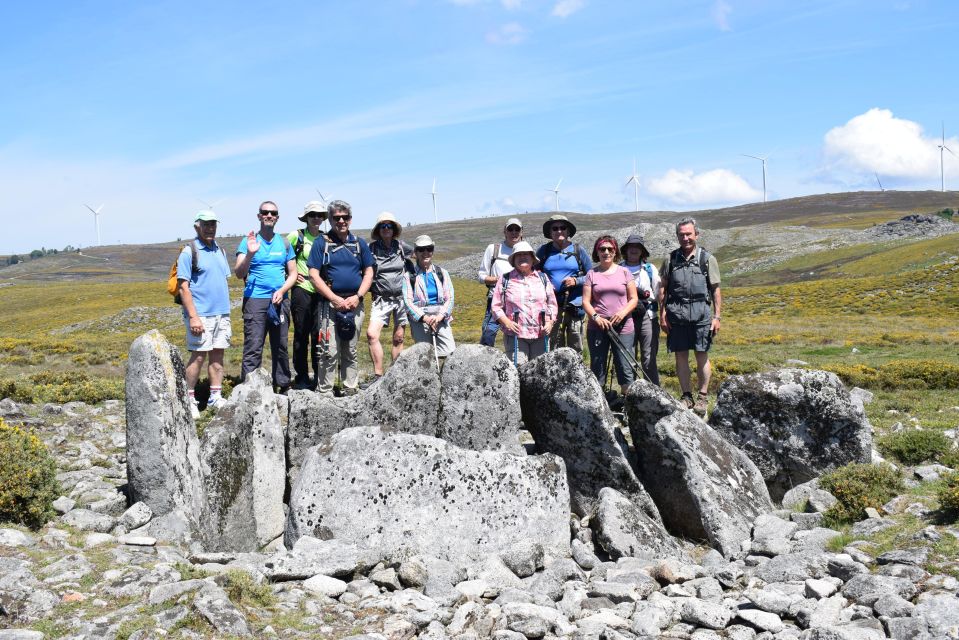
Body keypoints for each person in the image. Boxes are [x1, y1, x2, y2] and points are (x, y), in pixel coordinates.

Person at [306, 200, 375, 395]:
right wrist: (334, 299)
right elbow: (313, 275)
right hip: (329, 306)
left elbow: (369, 272)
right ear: (330, 220)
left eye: (345, 217)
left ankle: (350, 388)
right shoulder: (322, 243)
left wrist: (358, 296)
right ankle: (325, 391)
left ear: (350, 220)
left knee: (350, 349)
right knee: (329, 350)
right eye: (337, 218)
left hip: (355, 304)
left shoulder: (359, 244)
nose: (341, 221)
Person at [659, 217, 722, 417]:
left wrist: (717, 317)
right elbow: (663, 288)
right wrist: (662, 314)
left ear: (697, 234)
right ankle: (686, 396)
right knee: (681, 356)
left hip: (701, 316)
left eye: (689, 234)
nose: (685, 238)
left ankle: (702, 397)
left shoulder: (707, 259)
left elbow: (716, 290)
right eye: (682, 235)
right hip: (676, 316)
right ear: (677, 236)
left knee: (702, 355)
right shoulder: (670, 259)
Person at [235, 201, 297, 391]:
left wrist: (282, 290)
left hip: (280, 300)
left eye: (273, 213)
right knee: (253, 346)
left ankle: (283, 385)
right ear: (259, 216)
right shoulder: (248, 242)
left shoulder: (284, 242)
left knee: (280, 346)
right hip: (255, 299)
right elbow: (239, 272)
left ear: (277, 217)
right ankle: (250, 389)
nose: (269, 215)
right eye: (265, 212)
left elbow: (293, 273)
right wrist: (250, 255)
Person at [177, 210, 232, 417]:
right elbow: (183, 287)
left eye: (213, 224)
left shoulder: (220, 250)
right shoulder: (188, 251)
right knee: (198, 356)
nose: (210, 228)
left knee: (218, 356)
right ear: (196, 227)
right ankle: (188, 398)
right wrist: (193, 316)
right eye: (206, 224)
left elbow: (221, 279)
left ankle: (215, 396)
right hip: (201, 315)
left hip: (222, 313)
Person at [582, 236, 638, 400]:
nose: (606, 252)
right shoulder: (591, 274)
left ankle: (628, 404)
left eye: (610, 249)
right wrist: (596, 317)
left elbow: (633, 298)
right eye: (602, 249)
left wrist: (622, 313)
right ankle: (599, 403)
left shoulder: (625, 272)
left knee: (625, 365)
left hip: (624, 326)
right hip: (597, 327)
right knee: (597, 365)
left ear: (615, 252)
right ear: (597, 252)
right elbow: (586, 301)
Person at [365, 211, 413, 386]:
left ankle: (395, 375)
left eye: (390, 226)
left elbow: (418, 255)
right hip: (381, 299)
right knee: (371, 334)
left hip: (401, 299)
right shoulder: (371, 249)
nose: (386, 229)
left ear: (394, 229)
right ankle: (378, 375)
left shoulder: (401, 247)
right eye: (383, 226)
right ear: (378, 229)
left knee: (398, 337)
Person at [490, 241, 556, 364]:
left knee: (540, 371)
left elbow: (552, 304)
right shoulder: (505, 279)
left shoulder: (543, 278)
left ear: (532, 258)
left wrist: (550, 322)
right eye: (518, 255)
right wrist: (506, 322)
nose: (522, 257)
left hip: (540, 334)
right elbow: (496, 306)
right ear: (514, 259)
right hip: (515, 335)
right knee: (518, 371)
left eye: (526, 254)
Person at [536, 214, 592, 352]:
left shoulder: (578, 250)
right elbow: (534, 274)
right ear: (550, 232)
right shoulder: (544, 251)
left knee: (576, 346)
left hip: (575, 306)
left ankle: (575, 372)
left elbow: (592, 276)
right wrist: (546, 284)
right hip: (551, 306)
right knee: (554, 344)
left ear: (568, 231)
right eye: (555, 228)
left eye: (563, 227)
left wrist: (576, 281)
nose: (559, 231)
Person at [287, 201, 327, 390]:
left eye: (319, 215)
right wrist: (290, 276)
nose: (316, 218)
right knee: (301, 335)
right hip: (301, 290)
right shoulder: (296, 236)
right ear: (306, 217)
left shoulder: (325, 238)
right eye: (312, 215)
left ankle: (319, 376)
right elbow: (282, 257)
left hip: (320, 292)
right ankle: (302, 377)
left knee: (318, 335)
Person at [402, 234, 455, 357]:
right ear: (415, 252)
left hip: (440, 316)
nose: (425, 252)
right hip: (420, 319)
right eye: (421, 249)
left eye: (429, 249)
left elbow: (450, 298)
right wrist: (425, 318)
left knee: (450, 351)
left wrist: (440, 317)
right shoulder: (408, 276)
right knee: (424, 354)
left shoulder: (443, 273)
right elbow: (408, 302)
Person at [622, 234, 661, 386]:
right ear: (626, 250)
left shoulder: (650, 269)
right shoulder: (618, 269)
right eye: (630, 247)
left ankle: (654, 392)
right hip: (626, 317)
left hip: (649, 317)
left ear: (642, 251)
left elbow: (658, 293)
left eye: (637, 247)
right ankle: (630, 393)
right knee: (628, 357)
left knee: (648, 357)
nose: (634, 250)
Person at [478, 218, 524, 347]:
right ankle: (485, 361)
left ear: (521, 232)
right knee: (488, 332)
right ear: (505, 231)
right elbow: (481, 276)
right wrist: (500, 280)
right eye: (510, 229)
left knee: (519, 333)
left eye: (517, 229)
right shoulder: (493, 249)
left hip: (518, 300)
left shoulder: (526, 251)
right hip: (496, 299)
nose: (514, 232)